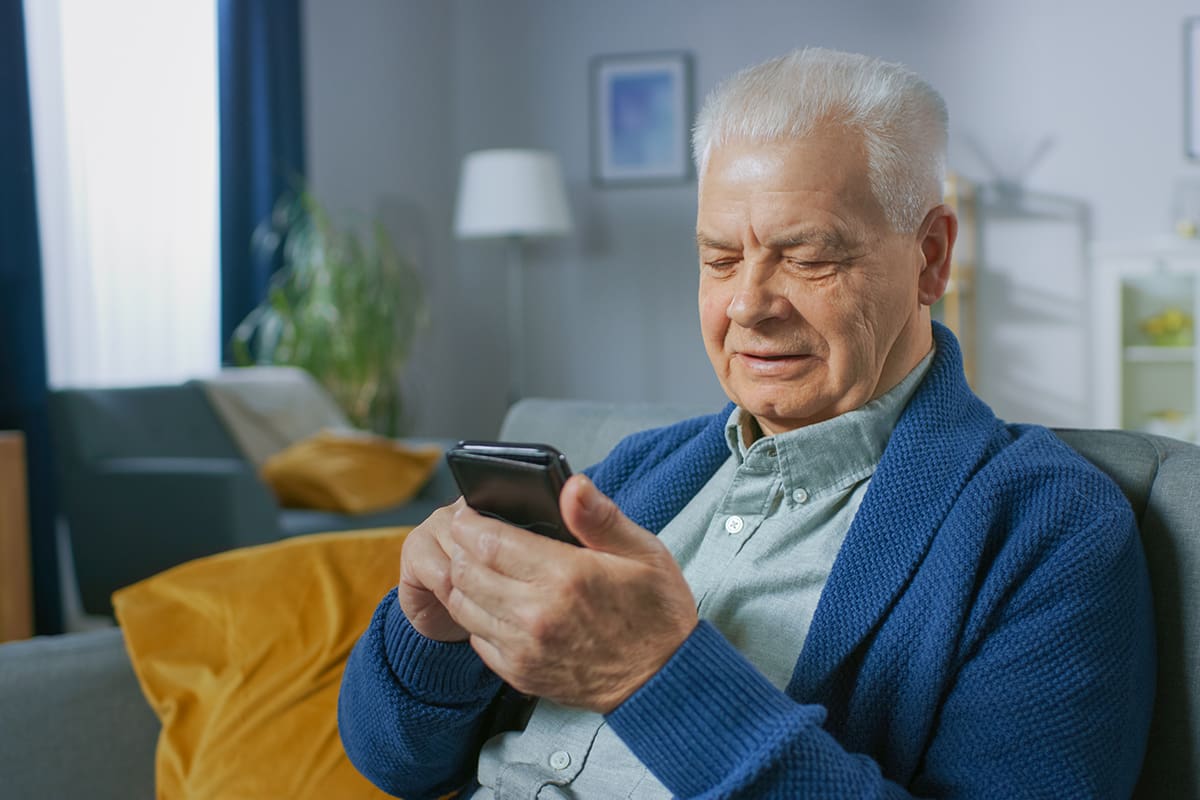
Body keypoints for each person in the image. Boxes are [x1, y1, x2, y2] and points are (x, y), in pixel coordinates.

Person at [338, 48, 1155, 799]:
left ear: (931, 257)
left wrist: (653, 675)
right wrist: (430, 635)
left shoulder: (1045, 526)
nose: (748, 307)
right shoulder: (637, 471)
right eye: (720, 258)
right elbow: (394, 760)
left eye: (807, 257)